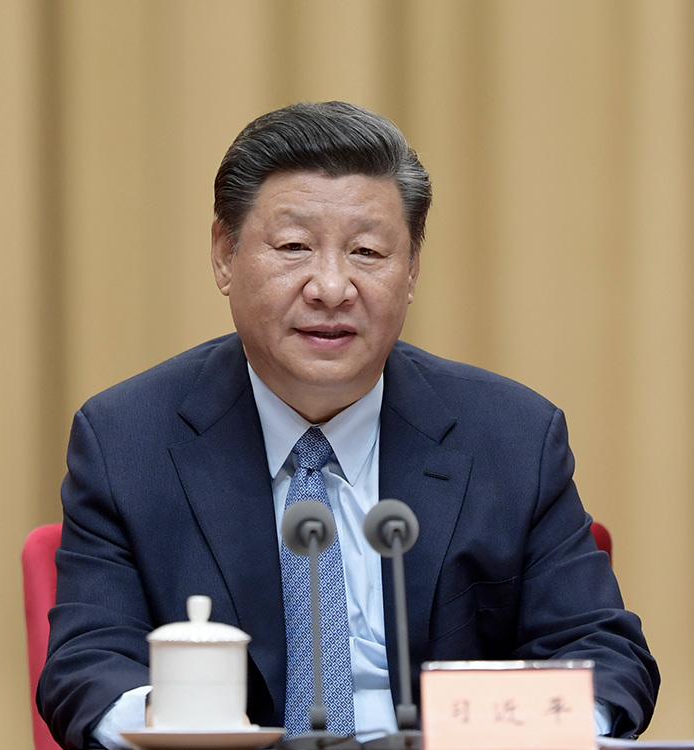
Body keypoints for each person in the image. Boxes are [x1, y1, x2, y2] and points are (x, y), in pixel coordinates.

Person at [37, 101, 659, 749]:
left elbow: (602, 652)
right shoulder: (128, 440)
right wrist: (176, 723)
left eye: (367, 252)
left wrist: (540, 732)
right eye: (294, 247)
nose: (331, 288)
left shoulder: (511, 437)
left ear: (411, 270)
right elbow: (88, 663)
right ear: (224, 254)